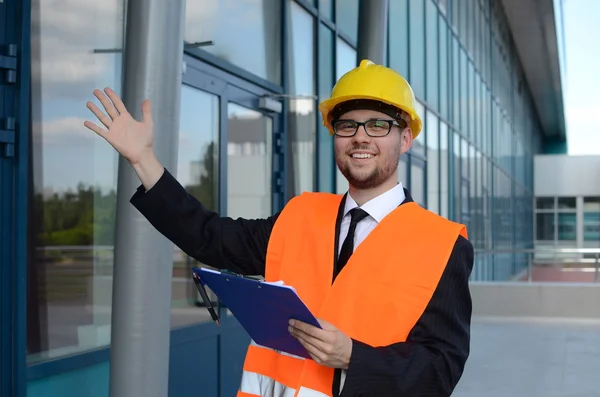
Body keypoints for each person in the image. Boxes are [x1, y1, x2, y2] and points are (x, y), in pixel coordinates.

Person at [84, 59, 474, 397]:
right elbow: (208, 235)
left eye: (377, 125)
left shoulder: (441, 245)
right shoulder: (299, 217)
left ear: (404, 138)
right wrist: (144, 160)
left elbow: (439, 371)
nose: (360, 137)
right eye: (347, 125)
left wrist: (353, 357)